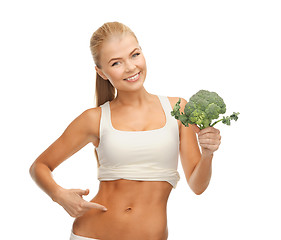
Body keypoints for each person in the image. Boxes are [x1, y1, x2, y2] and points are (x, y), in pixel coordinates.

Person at [29, 21, 221, 240]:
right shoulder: (94, 119)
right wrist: (59, 195)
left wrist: (207, 153)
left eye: (135, 55)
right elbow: (39, 166)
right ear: (101, 72)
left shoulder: (178, 110)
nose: (130, 67)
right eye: (116, 63)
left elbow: (197, 186)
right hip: (91, 235)